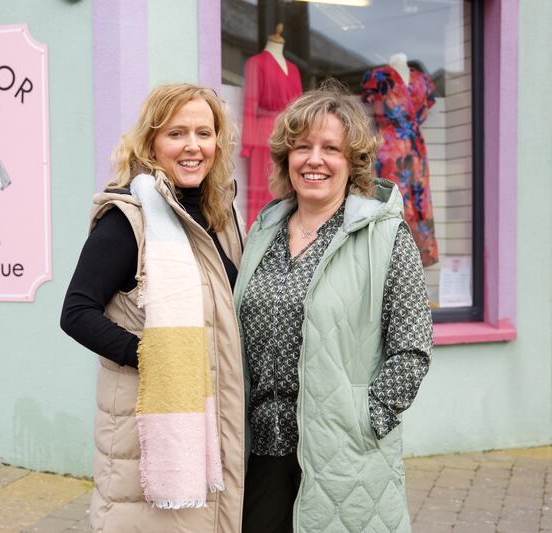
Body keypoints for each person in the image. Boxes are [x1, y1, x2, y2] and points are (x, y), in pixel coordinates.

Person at [234, 81, 433, 533]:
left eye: (331, 149)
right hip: (262, 449)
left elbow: (413, 347)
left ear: (352, 162)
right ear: (287, 158)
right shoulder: (262, 232)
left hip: (343, 452)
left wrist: (367, 419)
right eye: (302, 147)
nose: (315, 159)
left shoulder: (385, 237)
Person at [60, 84, 245, 533]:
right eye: (177, 133)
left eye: (205, 132)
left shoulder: (219, 215)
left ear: (218, 142)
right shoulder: (129, 219)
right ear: (151, 143)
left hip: (217, 416)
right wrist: (154, 355)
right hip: (147, 435)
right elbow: (76, 312)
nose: (193, 146)